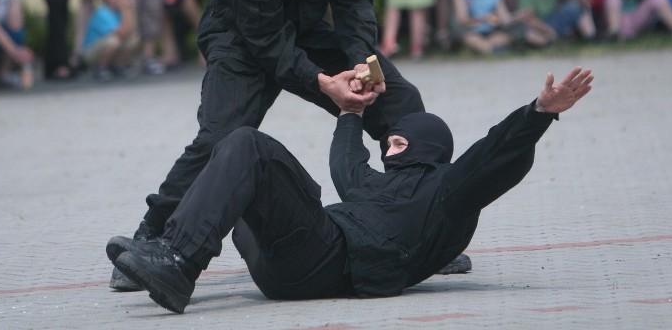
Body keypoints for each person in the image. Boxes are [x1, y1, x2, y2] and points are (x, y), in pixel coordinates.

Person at [108, 0, 432, 292]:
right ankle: (152, 235)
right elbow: (266, 40)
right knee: (222, 137)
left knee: (399, 102)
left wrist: (359, 61)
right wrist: (322, 83)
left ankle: (416, 227)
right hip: (242, 38)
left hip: (307, 28)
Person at [107, 66, 594, 314]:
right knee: (237, 160)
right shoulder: (374, 185)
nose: (390, 150)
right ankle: (172, 247)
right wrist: (352, 113)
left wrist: (539, 112)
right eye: (388, 144)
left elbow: (494, 152)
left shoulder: (449, 190)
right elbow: (346, 166)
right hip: (285, 266)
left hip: (329, 261)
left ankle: (176, 261)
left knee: (247, 144)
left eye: (400, 142)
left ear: (429, 148)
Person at [82, 0, 139, 82]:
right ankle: (101, 67)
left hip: (112, 45)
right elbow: (121, 33)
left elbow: (131, 31)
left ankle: (119, 65)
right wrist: (126, 11)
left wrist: (132, 11)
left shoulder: (120, 11)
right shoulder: (102, 13)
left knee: (133, 39)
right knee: (114, 41)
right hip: (92, 52)